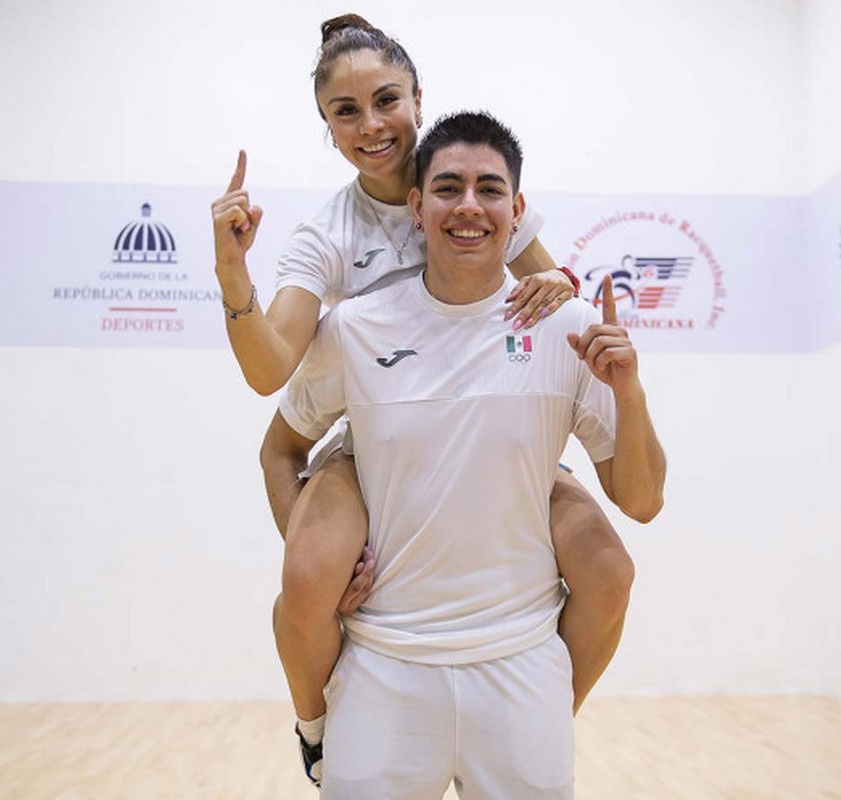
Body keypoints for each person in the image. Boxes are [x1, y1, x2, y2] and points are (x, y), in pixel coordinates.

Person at [211, 14, 636, 785]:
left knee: (608, 571)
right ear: (328, 130)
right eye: (346, 112)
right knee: (307, 580)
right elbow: (271, 368)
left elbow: (554, 281)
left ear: (417, 98)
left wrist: (561, 282)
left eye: (386, 100)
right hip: (381, 430)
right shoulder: (325, 235)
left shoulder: (463, 174)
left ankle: (527, 720)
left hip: (494, 425)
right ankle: (316, 730)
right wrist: (234, 279)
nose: (371, 124)